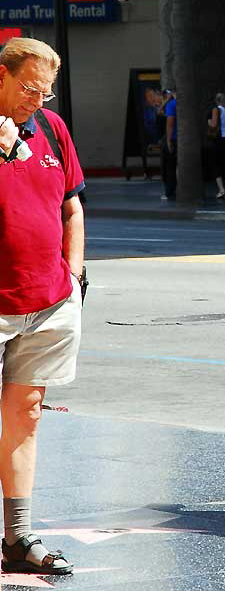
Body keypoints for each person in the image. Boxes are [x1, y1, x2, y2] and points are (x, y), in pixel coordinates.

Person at [0, 37, 85, 574]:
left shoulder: (51, 129)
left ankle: (17, 536)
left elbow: (72, 207)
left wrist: (73, 275)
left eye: (47, 92)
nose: (39, 99)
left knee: (26, 414)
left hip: (48, 300)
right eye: (30, 88)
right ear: (2, 77)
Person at [160, 89, 177, 199]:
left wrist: (168, 140)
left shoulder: (171, 104)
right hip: (182, 138)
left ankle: (169, 191)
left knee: (169, 166)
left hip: (174, 138)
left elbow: (169, 124)